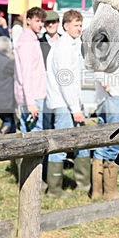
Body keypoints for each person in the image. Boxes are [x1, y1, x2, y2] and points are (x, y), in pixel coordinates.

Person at [45, 10, 90, 195]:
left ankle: (82, 186)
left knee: (79, 142)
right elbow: (66, 81)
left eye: (81, 25)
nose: (79, 29)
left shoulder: (68, 45)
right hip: (64, 104)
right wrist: (75, 108)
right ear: (66, 26)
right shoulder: (63, 47)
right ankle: (55, 189)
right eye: (76, 25)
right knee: (61, 145)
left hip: (67, 102)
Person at [91, 66, 119, 200]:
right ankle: (110, 192)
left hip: (104, 98)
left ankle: (96, 192)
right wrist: (105, 83)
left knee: (101, 145)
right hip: (115, 96)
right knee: (114, 144)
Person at [14, 7, 47, 133]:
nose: (41, 24)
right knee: (35, 133)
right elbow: (25, 73)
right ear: (28, 20)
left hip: (31, 94)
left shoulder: (30, 38)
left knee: (27, 131)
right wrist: (30, 102)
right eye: (37, 21)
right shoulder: (27, 41)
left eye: (42, 21)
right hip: (32, 95)